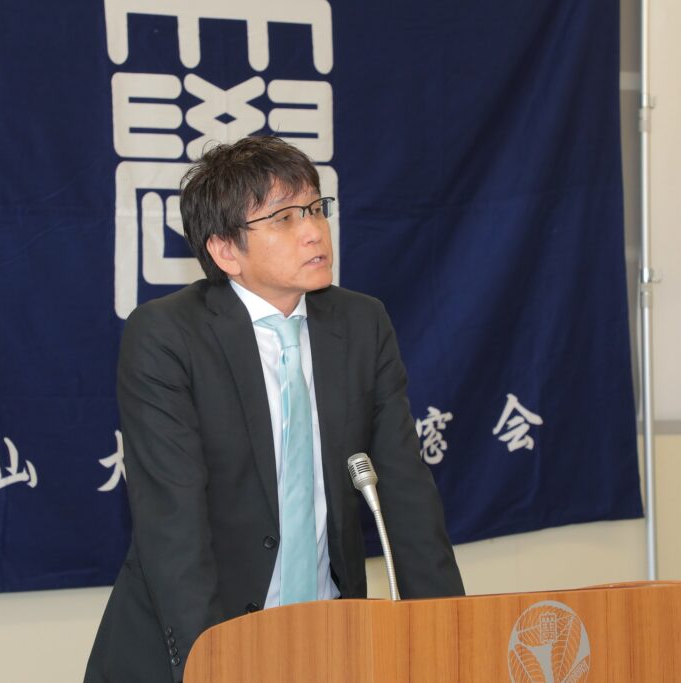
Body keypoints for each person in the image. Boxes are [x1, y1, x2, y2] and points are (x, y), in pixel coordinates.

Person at [85, 136, 464, 682]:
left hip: (330, 640)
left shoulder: (362, 324)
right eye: (284, 218)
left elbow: (406, 495)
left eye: (315, 208)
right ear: (226, 251)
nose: (313, 231)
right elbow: (173, 527)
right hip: (206, 642)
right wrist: (212, 668)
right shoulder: (167, 335)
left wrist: (450, 639)